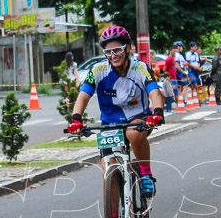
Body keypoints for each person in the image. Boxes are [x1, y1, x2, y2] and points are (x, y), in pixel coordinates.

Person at [65, 26, 165, 197]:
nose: (113, 55)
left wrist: (157, 113)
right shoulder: (97, 69)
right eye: (108, 51)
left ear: (127, 48)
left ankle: (146, 173)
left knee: (133, 134)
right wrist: (76, 119)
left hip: (137, 117)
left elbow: (154, 92)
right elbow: (83, 96)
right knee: (109, 173)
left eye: (117, 50)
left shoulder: (140, 68)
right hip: (109, 122)